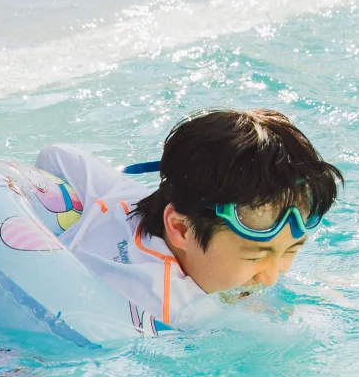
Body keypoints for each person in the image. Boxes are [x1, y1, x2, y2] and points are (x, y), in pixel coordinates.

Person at [37, 109, 342, 329]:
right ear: (181, 228)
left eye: (290, 251)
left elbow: (56, 155)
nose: (271, 277)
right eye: (255, 256)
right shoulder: (172, 308)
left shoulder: (119, 196)